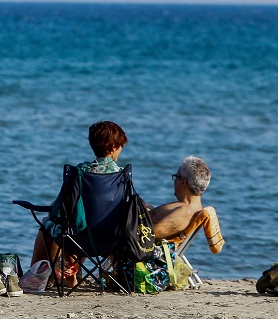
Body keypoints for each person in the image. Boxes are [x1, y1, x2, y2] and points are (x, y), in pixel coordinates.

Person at [30, 120, 129, 287]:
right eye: (120, 147)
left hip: (78, 239)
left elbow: (59, 210)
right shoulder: (122, 176)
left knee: (50, 224)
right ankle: (74, 272)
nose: (120, 151)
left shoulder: (79, 174)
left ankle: (37, 277)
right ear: (113, 147)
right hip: (113, 239)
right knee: (74, 222)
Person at [150, 156, 211, 240]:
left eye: (176, 177)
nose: (174, 181)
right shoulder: (191, 208)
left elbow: (148, 234)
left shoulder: (185, 212)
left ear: (183, 182)